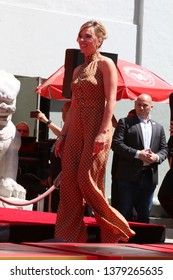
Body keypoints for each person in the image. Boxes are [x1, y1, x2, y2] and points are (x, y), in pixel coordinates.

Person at [54, 19, 135, 243]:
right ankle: (68, 237)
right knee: (69, 180)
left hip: (97, 126)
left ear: (99, 40)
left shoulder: (106, 64)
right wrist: (62, 135)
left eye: (87, 36)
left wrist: (102, 131)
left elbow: (110, 101)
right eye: (80, 36)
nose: (82, 40)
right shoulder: (78, 69)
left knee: (86, 178)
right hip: (75, 128)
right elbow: (73, 107)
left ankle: (116, 228)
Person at [111, 94, 168, 223]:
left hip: (149, 177)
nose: (141, 108)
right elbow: (116, 145)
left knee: (144, 214)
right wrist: (138, 154)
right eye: (138, 105)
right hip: (127, 177)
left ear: (151, 107)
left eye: (145, 105)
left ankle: (141, 242)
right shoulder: (125, 123)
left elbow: (164, 149)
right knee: (124, 212)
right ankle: (123, 241)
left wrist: (157, 157)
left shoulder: (158, 127)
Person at [36, 101, 71, 212]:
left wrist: (46, 121)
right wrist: (51, 174)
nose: (63, 114)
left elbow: (63, 134)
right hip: (55, 177)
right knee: (55, 207)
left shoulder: (74, 130)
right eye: (62, 111)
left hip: (65, 177)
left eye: (67, 111)